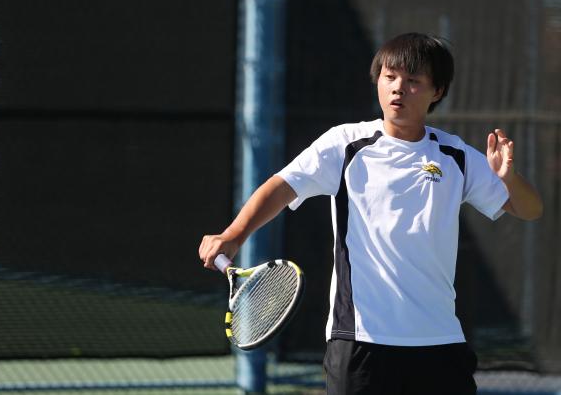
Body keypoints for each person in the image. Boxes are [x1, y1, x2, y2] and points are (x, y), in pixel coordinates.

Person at [199, 32, 543, 395]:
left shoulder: (455, 155)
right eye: (390, 77)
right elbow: (282, 187)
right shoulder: (344, 144)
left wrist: (510, 179)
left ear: (437, 91)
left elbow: (530, 209)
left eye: (413, 81)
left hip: (440, 342)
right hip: (360, 342)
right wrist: (233, 234)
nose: (398, 89)